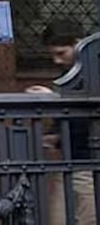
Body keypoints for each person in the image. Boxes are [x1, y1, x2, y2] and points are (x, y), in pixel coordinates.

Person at [26, 18, 96, 225]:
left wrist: (54, 98)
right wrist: (55, 136)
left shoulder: (93, 71)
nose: (56, 60)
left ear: (78, 44)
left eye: (61, 53)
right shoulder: (71, 74)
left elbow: (88, 112)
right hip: (71, 162)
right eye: (52, 55)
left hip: (88, 165)